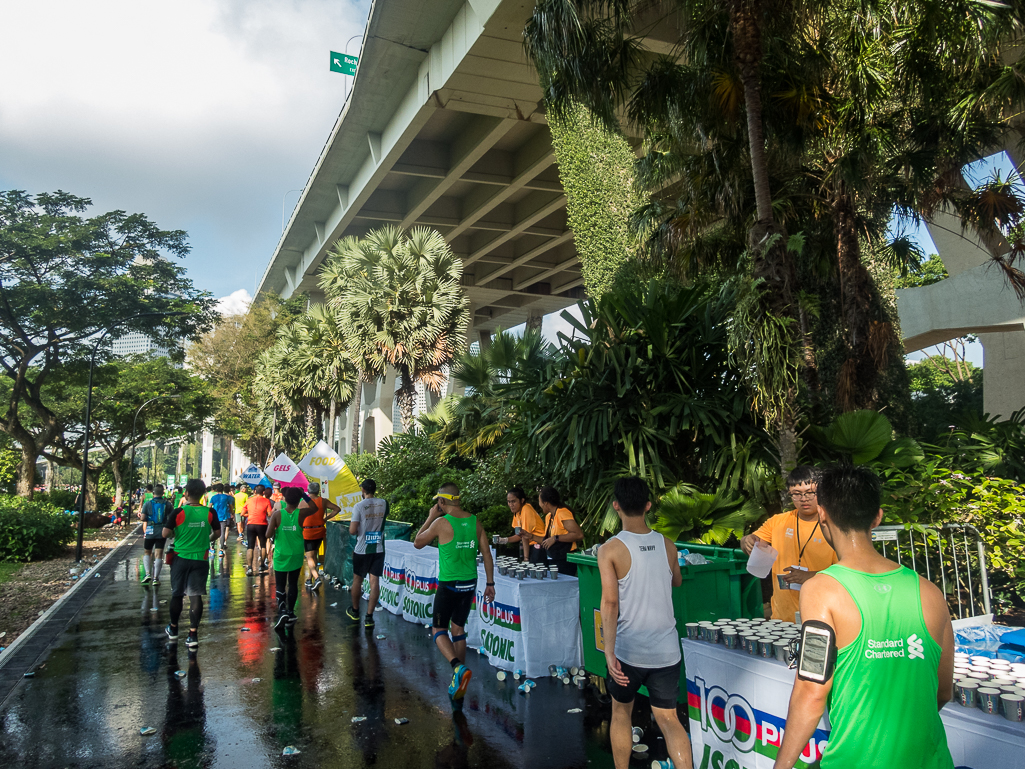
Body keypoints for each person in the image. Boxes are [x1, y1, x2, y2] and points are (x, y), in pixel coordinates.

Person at [773, 466, 954, 769]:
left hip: (857, 760)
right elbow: (943, 690)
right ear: (878, 517)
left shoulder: (820, 590)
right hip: (931, 759)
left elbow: (811, 691)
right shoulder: (929, 591)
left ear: (822, 515)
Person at [598, 477, 692, 769]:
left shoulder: (610, 549)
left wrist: (609, 652)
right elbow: (676, 580)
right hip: (666, 651)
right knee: (668, 718)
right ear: (648, 505)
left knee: (621, 713)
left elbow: (610, 603)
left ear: (616, 506)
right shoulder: (667, 544)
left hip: (629, 650)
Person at [414, 482, 495, 710]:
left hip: (449, 584)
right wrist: (490, 583)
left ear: (441, 502)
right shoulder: (475, 521)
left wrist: (430, 518)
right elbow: (487, 554)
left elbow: (417, 542)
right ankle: (459, 682)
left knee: (438, 629)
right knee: (458, 629)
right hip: (470, 583)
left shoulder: (441, 523)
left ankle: (458, 668)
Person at [740, 465, 837, 622]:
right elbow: (754, 541)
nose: (804, 499)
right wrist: (746, 541)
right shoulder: (778, 521)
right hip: (781, 618)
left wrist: (810, 576)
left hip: (822, 616)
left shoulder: (835, 524)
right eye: (796, 494)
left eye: (810, 493)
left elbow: (846, 572)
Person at [161, 479, 220, 650]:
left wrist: (175, 533)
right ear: (203, 494)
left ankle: (173, 629)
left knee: (177, 594)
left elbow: (165, 533)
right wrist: (206, 540)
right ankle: (193, 634)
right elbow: (217, 532)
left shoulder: (178, 512)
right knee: (196, 596)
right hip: (200, 559)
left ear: (186, 493)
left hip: (180, 558)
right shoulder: (210, 513)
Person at [267, 487, 315, 631]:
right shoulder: (302, 513)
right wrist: (304, 495)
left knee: (280, 584)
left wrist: (273, 526)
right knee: (293, 583)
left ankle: (282, 611)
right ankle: (290, 612)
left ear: (285, 499)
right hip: (297, 553)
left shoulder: (277, 514)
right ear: (298, 500)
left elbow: (268, 535)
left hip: (281, 554)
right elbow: (315, 507)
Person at [347, 479, 388, 626]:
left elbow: (352, 530)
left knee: (357, 579)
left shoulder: (359, 506)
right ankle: (369, 617)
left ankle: (355, 611)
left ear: (363, 490)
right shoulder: (384, 503)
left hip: (362, 549)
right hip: (378, 548)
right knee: (374, 581)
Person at [536, 486, 584, 575]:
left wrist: (556, 538)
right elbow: (547, 541)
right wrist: (529, 536)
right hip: (554, 558)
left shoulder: (563, 513)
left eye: (539, 501)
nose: (539, 505)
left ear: (545, 503)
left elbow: (579, 535)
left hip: (565, 558)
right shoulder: (549, 517)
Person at [302, 481, 340, 592]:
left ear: (308, 491)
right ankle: (310, 578)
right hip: (319, 530)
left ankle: (317, 578)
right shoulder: (323, 501)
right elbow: (337, 509)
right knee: (314, 555)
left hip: (308, 531)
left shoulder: (303, 502)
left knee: (309, 557)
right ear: (318, 491)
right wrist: (325, 519)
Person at [494, 487, 545, 563]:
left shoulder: (526, 509)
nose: (511, 505)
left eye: (513, 501)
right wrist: (503, 540)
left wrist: (526, 558)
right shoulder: (517, 513)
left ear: (522, 500)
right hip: (530, 546)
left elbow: (525, 535)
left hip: (539, 545)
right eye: (509, 502)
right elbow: (519, 536)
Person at [139, 484, 170, 585]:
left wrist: (148, 518)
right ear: (163, 493)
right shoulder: (168, 504)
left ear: (153, 493)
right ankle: (156, 578)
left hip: (150, 530)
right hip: (162, 530)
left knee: (147, 552)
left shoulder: (148, 504)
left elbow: (143, 518)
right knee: (159, 554)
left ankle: (147, 573)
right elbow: (172, 517)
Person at [243, 484, 273, 576]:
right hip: (262, 524)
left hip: (251, 524)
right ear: (263, 492)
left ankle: (250, 568)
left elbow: (242, 513)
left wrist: (251, 515)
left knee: (250, 546)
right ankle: (262, 565)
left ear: (255, 491)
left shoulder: (249, 500)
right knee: (263, 545)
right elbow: (269, 514)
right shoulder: (266, 501)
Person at [208, 483, 235, 557]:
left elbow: (209, 507)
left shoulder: (213, 497)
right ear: (223, 489)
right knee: (222, 533)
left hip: (214, 517)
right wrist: (232, 513)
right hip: (224, 517)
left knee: (213, 532)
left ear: (216, 489)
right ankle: (221, 550)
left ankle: (212, 548)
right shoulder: (226, 497)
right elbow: (230, 506)